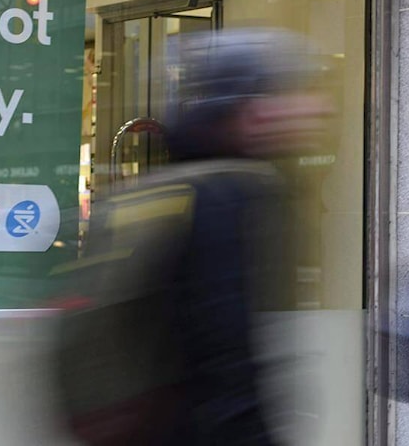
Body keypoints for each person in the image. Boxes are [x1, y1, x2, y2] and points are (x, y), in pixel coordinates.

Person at [58, 28, 334, 446]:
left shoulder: (171, 190)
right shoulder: (228, 195)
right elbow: (228, 367)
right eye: (297, 90)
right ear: (251, 109)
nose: (319, 106)